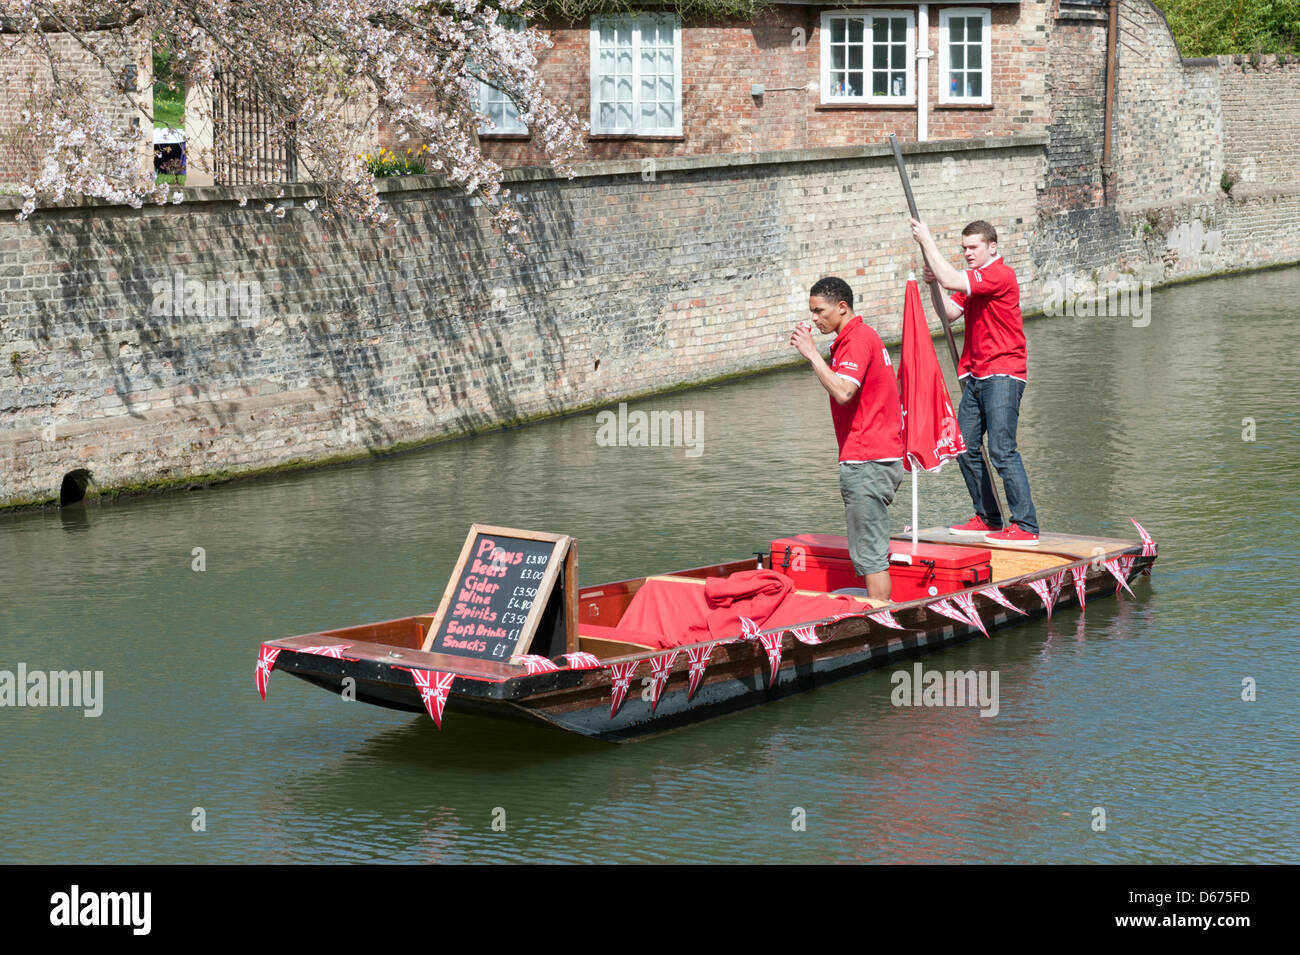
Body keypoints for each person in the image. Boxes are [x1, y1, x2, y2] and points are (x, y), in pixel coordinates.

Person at [910, 218, 1040, 546]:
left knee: (1001, 449)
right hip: (977, 375)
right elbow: (948, 314)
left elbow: (953, 277)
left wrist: (927, 242)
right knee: (963, 446)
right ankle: (988, 517)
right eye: (964, 248)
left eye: (973, 247)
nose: (967, 253)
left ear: (991, 247)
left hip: (1003, 374)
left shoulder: (999, 274)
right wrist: (934, 285)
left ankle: (1026, 526)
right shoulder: (977, 282)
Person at [790, 276, 904, 601]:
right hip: (874, 457)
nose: (814, 318)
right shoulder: (859, 337)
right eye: (811, 311)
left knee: (870, 555)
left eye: (819, 311)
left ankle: (881, 621)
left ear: (842, 307)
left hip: (867, 460)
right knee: (870, 550)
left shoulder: (856, 340)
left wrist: (812, 355)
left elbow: (843, 392)